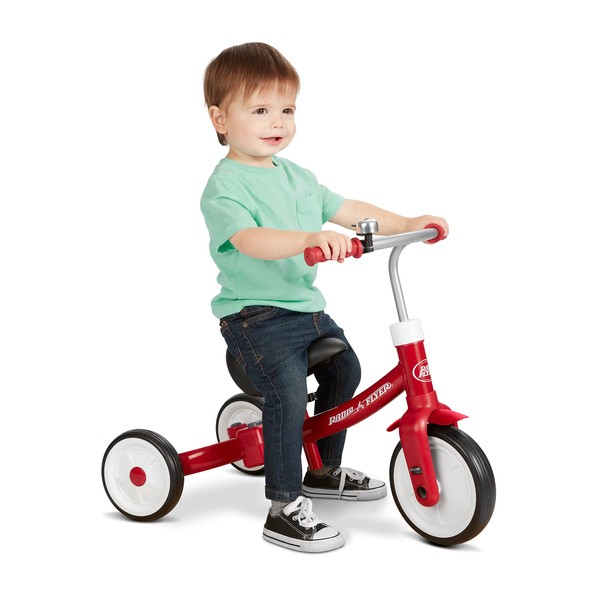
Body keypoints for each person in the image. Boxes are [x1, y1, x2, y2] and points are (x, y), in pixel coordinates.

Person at [200, 42, 448, 552]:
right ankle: (283, 507)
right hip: (255, 320)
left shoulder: (298, 177)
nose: (278, 122)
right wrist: (308, 239)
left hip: (308, 312)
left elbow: (347, 209)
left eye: (287, 110)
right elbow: (250, 240)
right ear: (220, 119)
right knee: (288, 396)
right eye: (260, 110)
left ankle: (323, 470)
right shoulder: (224, 187)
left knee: (345, 370)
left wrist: (407, 223)